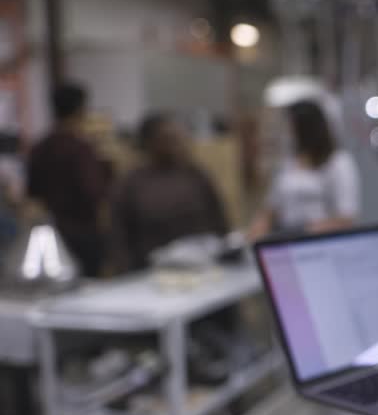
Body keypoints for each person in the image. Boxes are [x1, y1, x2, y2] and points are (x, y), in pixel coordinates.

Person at [110, 113, 228, 271]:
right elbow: (119, 235)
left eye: (179, 137)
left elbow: (219, 218)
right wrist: (126, 270)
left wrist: (226, 252)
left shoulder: (195, 174)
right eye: (168, 139)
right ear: (149, 143)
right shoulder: (131, 183)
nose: (177, 144)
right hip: (153, 273)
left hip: (205, 265)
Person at [27, 82, 113, 277]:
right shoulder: (81, 149)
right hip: (84, 232)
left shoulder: (40, 148)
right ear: (81, 110)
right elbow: (93, 191)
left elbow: (32, 192)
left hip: (53, 230)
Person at [250, 100, 360, 238]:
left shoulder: (338, 163)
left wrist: (304, 232)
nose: (288, 134)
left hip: (320, 239)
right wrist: (256, 232)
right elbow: (271, 209)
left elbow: (346, 218)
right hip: (285, 237)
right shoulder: (288, 164)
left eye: (291, 129)